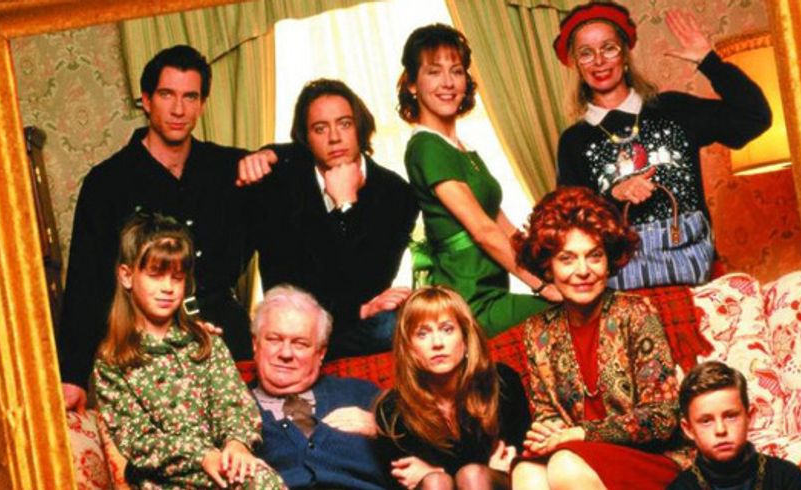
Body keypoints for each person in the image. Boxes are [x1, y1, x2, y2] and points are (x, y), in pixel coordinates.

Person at [58, 45, 261, 411]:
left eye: (190, 97)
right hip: (145, 348)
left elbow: (296, 183)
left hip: (227, 338)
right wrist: (72, 375)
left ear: (202, 104)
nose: (179, 109)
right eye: (167, 95)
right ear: (147, 100)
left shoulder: (229, 167)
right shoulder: (107, 182)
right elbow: (85, 284)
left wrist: (274, 153)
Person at [554, 4, 772, 288]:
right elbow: (570, 224)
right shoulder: (574, 141)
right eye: (586, 53)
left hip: (697, 278)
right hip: (625, 290)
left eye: (609, 48)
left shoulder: (674, 109)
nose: (599, 60)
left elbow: (754, 118)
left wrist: (709, 61)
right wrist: (613, 194)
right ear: (576, 65)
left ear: (625, 54)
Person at [511, 187, 687, 489]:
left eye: (594, 256)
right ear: (548, 267)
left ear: (609, 260)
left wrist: (581, 433)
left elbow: (662, 417)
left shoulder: (636, 313)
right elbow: (546, 412)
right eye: (567, 259)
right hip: (576, 457)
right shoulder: (538, 331)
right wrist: (549, 430)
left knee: (565, 464)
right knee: (527, 473)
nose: (583, 271)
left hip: (651, 458)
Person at [92, 213, 283, 489]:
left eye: (177, 277)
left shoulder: (205, 343)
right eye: (156, 275)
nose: (168, 288)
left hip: (222, 466)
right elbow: (138, 440)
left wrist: (237, 444)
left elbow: (233, 404)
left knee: (262, 480)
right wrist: (201, 457)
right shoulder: (113, 360)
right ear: (127, 276)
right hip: (163, 480)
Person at [236, 79, 419, 359]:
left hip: (357, 323)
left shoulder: (397, 194)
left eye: (344, 124)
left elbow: (367, 283)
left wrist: (346, 206)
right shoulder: (283, 182)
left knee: (390, 327)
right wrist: (266, 153)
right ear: (306, 139)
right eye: (320, 129)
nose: (334, 138)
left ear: (359, 127)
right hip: (296, 320)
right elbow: (289, 283)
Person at [397, 24, 560, 337]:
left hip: (492, 292)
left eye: (457, 71)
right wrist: (541, 286)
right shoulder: (426, 147)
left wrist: (554, 271)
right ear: (413, 84)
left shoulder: (462, 149)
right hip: (466, 301)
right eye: (434, 71)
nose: (448, 82)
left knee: (583, 298)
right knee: (571, 312)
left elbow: (505, 228)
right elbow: (483, 232)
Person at [374, 286, 530, 490]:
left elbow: (522, 453)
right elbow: (401, 480)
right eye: (423, 334)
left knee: (473, 476)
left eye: (447, 330)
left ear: (465, 338)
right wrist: (437, 475)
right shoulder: (392, 411)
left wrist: (510, 464)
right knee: (436, 482)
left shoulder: (501, 383)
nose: (437, 343)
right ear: (409, 348)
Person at [248, 284, 390, 490]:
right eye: (274, 340)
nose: (285, 353)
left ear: (321, 353)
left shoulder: (361, 393)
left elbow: (424, 440)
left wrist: (382, 428)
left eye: (300, 344)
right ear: (255, 344)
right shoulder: (228, 406)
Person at [668, 361, 801, 490]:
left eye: (731, 416)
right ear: (689, 429)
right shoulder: (680, 488)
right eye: (706, 421)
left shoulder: (787, 478)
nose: (721, 430)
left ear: (749, 417)